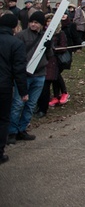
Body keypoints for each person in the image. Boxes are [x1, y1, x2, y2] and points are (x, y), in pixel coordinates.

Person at [8, 10, 50, 144]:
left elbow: (50, 55)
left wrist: (48, 47)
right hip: (24, 75)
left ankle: (22, 129)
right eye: (31, 22)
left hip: (40, 75)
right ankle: (12, 131)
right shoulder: (21, 36)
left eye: (36, 22)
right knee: (18, 104)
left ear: (41, 25)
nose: (33, 24)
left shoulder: (45, 37)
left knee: (31, 104)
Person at [0, 13, 28, 164]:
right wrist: (23, 91)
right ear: (14, 27)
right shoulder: (15, 43)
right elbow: (19, 69)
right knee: (3, 119)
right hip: (4, 86)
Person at [36, 13, 69, 117]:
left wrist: (52, 48)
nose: (49, 23)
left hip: (52, 61)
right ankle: (38, 105)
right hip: (40, 61)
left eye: (51, 21)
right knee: (40, 86)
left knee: (47, 84)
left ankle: (43, 108)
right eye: (48, 21)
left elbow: (63, 47)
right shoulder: (41, 32)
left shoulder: (60, 33)